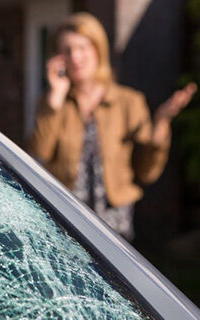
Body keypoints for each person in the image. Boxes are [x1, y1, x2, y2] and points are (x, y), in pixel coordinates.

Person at [27, 12, 197, 241]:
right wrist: (53, 103)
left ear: (98, 49)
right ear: (58, 58)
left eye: (82, 47)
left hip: (115, 226)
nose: (75, 57)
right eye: (67, 50)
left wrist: (162, 123)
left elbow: (147, 172)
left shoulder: (129, 102)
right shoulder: (53, 103)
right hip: (65, 220)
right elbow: (37, 156)